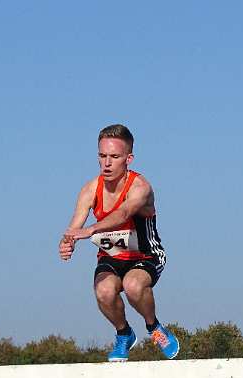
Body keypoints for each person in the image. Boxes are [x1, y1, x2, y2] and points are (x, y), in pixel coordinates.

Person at [59, 124, 179, 362]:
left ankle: (154, 328)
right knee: (103, 291)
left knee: (133, 285)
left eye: (114, 157)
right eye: (102, 156)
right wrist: (67, 242)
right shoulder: (90, 189)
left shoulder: (140, 187)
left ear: (128, 159)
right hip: (112, 255)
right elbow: (74, 226)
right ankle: (124, 334)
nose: (107, 163)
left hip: (145, 255)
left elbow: (123, 213)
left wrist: (91, 229)